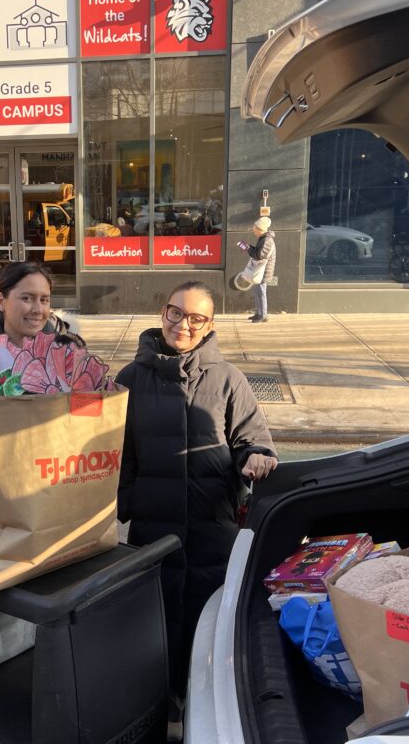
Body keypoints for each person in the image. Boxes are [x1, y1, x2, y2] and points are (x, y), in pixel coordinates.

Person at [116, 281, 278, 738]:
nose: (182, 325)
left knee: (211, 628)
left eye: (195, 318)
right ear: (161, 311)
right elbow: (114, 456)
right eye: (174, 313)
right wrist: (129, 502)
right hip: (153, 534)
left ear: (209, 324)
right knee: (154, 630)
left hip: (213, 529)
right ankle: (160, 716)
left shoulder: (229, 378)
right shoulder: (129, 379)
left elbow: (251, 437)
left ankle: (206, 718)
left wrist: (256, 456)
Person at [0, 260, 84, 348]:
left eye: (44, 300)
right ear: (1, 301)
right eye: (26, 298)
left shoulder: (71, 351)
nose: (38, 310)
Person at [247, 216, 276, 323]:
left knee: (261, 293)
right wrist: (248, 247)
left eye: (255, 231)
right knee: (256, 292)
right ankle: (258, 313)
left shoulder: (267, 240)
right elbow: (258, 253)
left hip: (263, 271)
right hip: (260, 271)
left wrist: (248, 248)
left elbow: (259, 256)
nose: (255, 233)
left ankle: (263, 315)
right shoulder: (263, 238)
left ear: (261, 229)